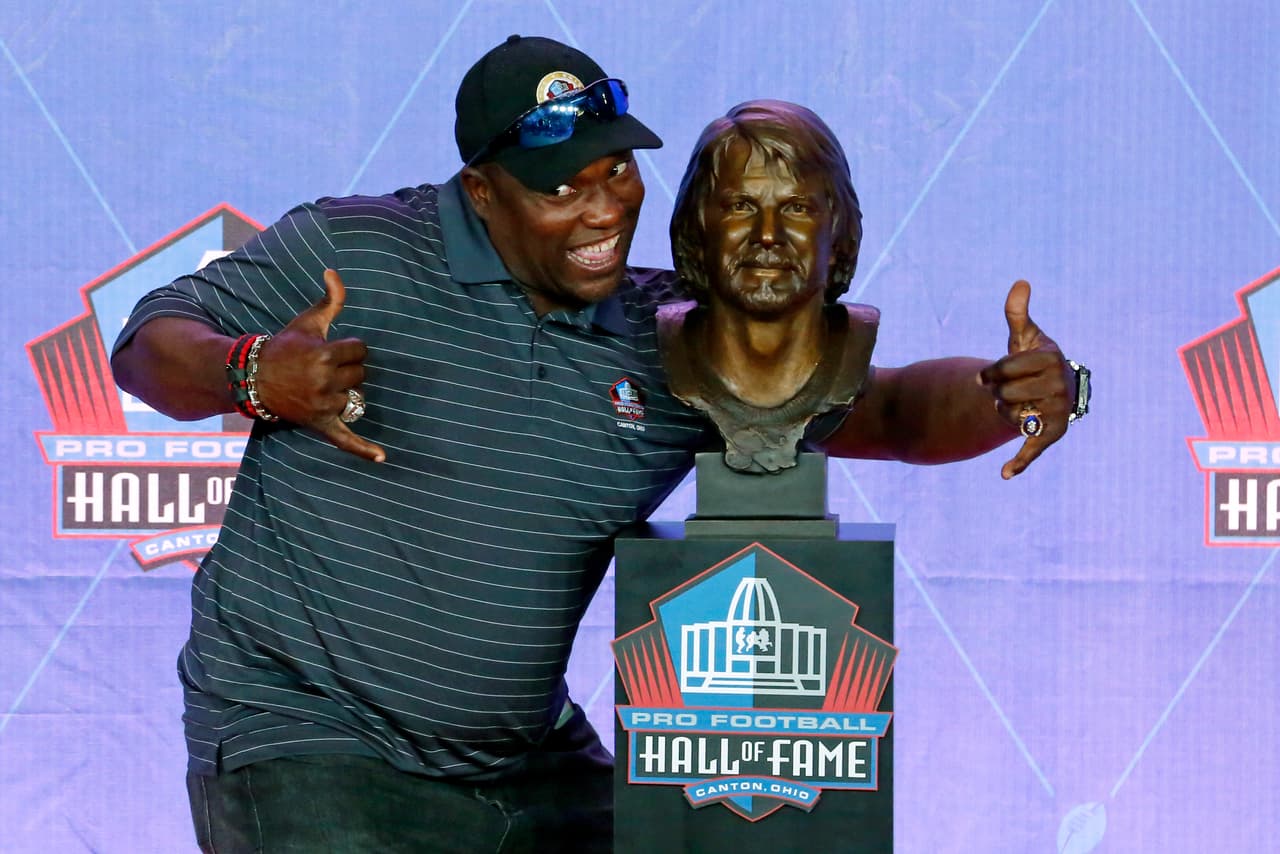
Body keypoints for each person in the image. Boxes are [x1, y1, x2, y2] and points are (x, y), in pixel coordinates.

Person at [110, 35, 1085, 854]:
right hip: (311, 743)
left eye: (616, 167)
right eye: (559, 186)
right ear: (481, 191)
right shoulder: (353, 250)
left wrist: (1012, 395)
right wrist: (249, 371)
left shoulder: (668, 333)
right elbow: (147, 344)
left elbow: (894, 411)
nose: (602, 207)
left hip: (526, 763)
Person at [663, 98, 1086, 477]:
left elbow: (902, 413)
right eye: (741, 206)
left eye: (796, 208)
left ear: (838, 235)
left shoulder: (845, 381)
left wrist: (1036, 393)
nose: (769, 234)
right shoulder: (649, 340)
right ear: (697, 226)